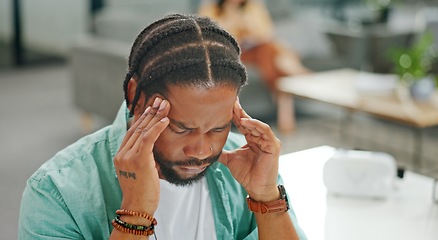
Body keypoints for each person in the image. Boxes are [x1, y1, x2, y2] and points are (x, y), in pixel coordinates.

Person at [18, 14, 306, 240]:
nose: (201, 151)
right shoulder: (55, 191)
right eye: (181, 129)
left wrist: (267, 199)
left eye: (218, 129)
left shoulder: (243, 164)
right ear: (135, 96)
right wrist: (135, 215)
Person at [198, 0, 311, 91]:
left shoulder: (253, 6)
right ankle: (299, 73)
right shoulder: (211, 9)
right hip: (230, 53)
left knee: (267, 50)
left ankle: (284, 80)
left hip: (255, 49)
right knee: (273, 52)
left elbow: (267, 32)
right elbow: (209, 38)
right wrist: (233, 19)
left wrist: (248, 28)